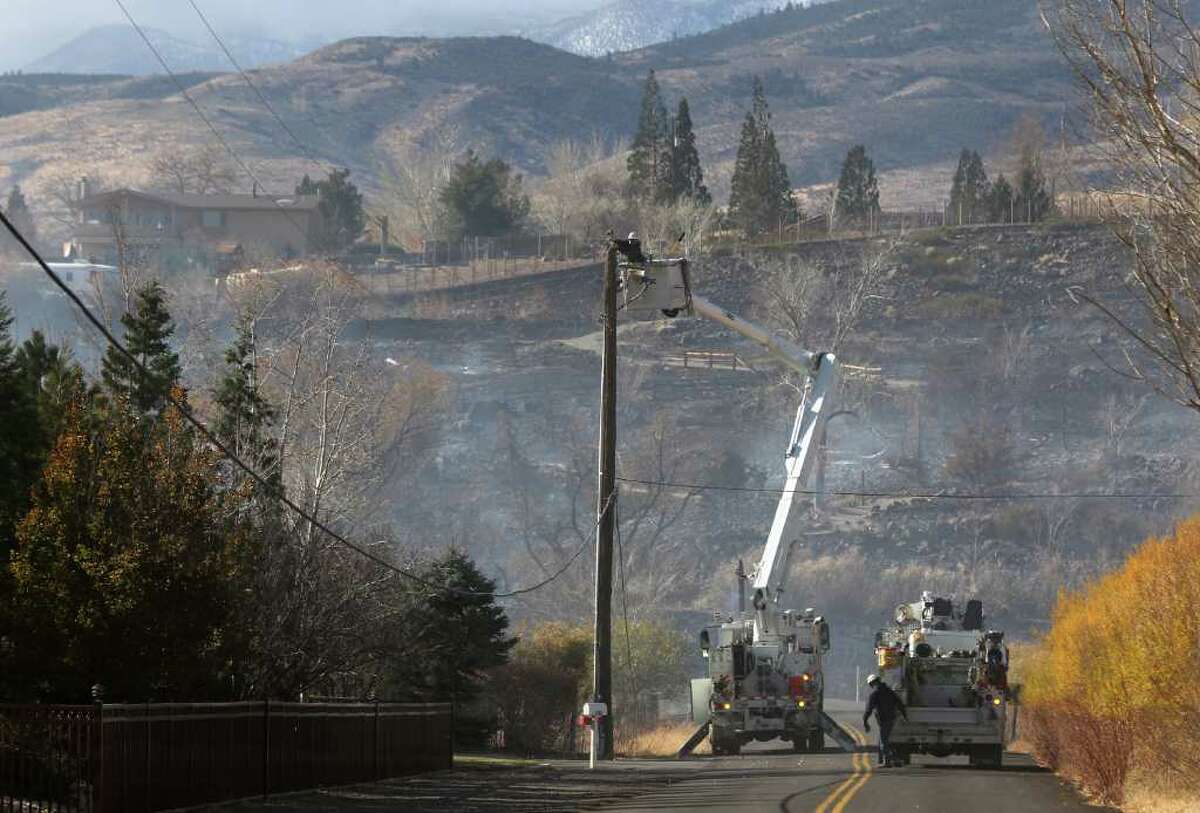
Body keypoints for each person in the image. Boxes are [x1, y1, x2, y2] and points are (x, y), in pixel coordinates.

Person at [862, 674, 908, 767]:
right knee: (882, 740)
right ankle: (885, 760)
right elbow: (899, 704)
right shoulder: (889, 691)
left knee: (883, 741)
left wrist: (865, 722)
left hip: (884, 720)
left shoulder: (875, 694)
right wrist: (904, 715)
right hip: (891, 719)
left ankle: (888, 761)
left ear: (872, 683)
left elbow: (868, 709)